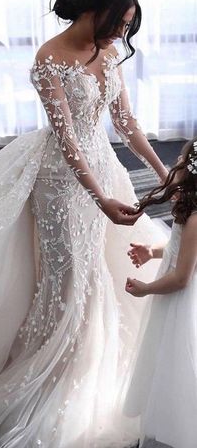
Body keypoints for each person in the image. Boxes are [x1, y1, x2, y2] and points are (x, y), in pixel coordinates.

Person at [0, 0, 167, 446]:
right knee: (68, 279)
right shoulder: (48, 58)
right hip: (60, 180)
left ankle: (86, 365)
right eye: (119, 23)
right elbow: (67, 139)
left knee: (96, 270)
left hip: (104, 170)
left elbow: (125, 122)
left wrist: (163, 172)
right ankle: (49, 377)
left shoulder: (111, 54)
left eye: (128, 27)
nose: (121, 36)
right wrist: (98, 196)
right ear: (95, 10)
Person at [125, 138, 197, 448]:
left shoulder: (195, 218)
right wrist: (152, 251)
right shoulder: (190, 212)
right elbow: (178, 249)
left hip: (180, 301)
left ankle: (178, 425)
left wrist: (146, 289)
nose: (173, 168)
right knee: (163, 358)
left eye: (179, 162)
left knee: (177, 360)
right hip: (173, 297)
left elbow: (181, 277)